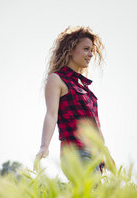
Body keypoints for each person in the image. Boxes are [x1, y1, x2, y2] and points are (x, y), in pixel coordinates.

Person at [35, 26, 106, 174]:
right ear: (71, 50)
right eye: (86, 49)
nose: (91, 54)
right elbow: (51, 114)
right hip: (77, 153)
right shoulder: (57, 79)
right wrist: (44, 146)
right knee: (90, 194)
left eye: (92, 50)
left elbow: (96, 125)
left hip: (95, 157)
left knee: (91, 197)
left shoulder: (85, 87)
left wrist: (106, 154)